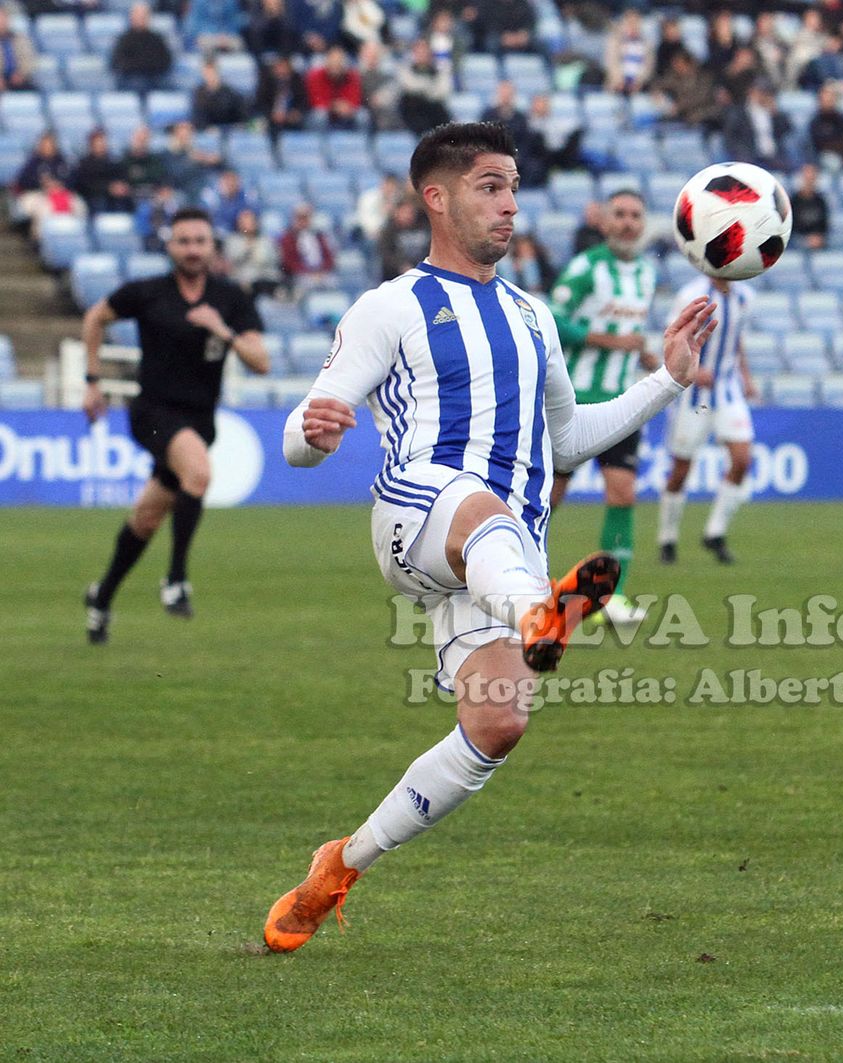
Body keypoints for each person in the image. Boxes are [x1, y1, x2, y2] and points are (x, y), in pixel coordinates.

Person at [262, 123, 716, 952]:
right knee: (478, 503)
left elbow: (568, 440)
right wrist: (311, 430)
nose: (509, 205)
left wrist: (667, 377)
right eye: (489, 187)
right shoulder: (391, 305)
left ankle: (340, 865)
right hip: (419, 511)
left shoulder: (532, 315)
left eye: (513, 187)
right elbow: (306, 427)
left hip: (498, 553)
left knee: (499, 724)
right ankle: (545, 614)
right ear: (435, 197)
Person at [81, 207, 270, 642]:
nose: (192, 249)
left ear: (211, 246)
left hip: (200, 419)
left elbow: (260, 362)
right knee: (200, 473)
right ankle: (175, 579)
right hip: (151, 413)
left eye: (199, 241)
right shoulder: (148, 292)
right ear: (170, 246)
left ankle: (101, 597)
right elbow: (95, 317)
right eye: (183, 241)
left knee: (146, 519)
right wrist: (92, 383)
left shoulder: (230, 299)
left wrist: (221, 330)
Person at [546, 190, 659, 627]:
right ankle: (523, 582)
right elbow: (552, 317)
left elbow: (630, 334)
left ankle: (612, 596)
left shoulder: (646, 274)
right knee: (547, 499)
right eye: (621, 215)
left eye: (636, 215)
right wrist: (609, 343)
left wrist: (642, 357)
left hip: (620, 401)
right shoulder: (586, 266)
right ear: (605, 222)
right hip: (571, 401)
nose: (629, 222)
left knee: (623, 494)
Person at [657, 273, 757, 566]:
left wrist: (747, 379)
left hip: (728, 389)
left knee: (742, 460)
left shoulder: (744, 297)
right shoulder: (693, 293)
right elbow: (673, 337)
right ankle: (667, 538)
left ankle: (715, 533)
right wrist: (693, 370)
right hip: (693, 394)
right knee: (680, 469)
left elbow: (736, 341)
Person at [111, 3, 174, 94]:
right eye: (138, 16)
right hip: (130, 78)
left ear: (149, 18)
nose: (141, 19)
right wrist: (144, 65)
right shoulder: (123, 40)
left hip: (155, 77)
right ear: (131, 17)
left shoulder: (157, 39)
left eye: (144, 16)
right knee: (138, 83)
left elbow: (166, 61)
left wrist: (145, 66)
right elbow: (118, 63)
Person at [71, 128, 133, 214]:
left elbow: (123, 177)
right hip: (93, 199)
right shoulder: (84, 164)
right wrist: (108, 188)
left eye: (103, 141)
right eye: (99, 142)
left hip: (115, 198)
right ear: (92, 144)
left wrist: (121, 187)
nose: (102, 144)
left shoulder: (114, 161)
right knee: (100, 203)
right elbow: (84, 185)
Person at [222, 207, 281, 297]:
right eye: (244, 221)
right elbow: (231, 260)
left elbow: (275, 260)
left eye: (251, 221)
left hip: (267, 280)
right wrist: (248, 247)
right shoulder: (232, 240)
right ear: (239, 224)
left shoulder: (266, 240)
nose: (248, 224)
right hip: (244, 281)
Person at [279, 202, 337, 292]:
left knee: (332, 282)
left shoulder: (319, 236)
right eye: (300, 218)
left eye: (306, 217)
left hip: (321, 273)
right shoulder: (288, 238)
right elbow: (289, 262)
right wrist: (309, 273)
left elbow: (329, 257)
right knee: (306, 283)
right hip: (300, 275)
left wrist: (321, 271)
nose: (303, 221)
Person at [305, 45, 364, 130]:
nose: (336, 65)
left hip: (345, 114)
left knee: (362, 115)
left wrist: (347, 107)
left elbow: (355, 100)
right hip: (321, 115)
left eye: (339, 62)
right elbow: (316, 101)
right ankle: (319, 143)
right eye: (333, 62)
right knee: (320, 115)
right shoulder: (315, 75)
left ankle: (360, 142)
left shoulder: (352, 76)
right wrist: (334, 107)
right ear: (327, 62)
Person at [191, 57, 250, 130]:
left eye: (212, 71)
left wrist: (238, 126)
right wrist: (207, 128)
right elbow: (198, 118)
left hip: (229, 131)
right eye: (207, 72)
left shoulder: (230, 93)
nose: (209, 75)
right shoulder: (198, 94)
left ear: (217, 71)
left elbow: (241, 114)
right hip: (208, 133)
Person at [791, 162, 830, 251]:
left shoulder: (821, 201)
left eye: (812, 178)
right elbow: (790, 225)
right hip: (797, 238)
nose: (809, 181)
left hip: (817, 240)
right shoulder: (794, 200)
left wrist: (817, 237)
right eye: (807, 177)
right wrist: (806, 239)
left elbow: (824, 225)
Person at [0, 8, 39, 91]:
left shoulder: (21, 39)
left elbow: (29, 58)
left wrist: (21, 74)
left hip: (20, 78)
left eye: (3, 18)